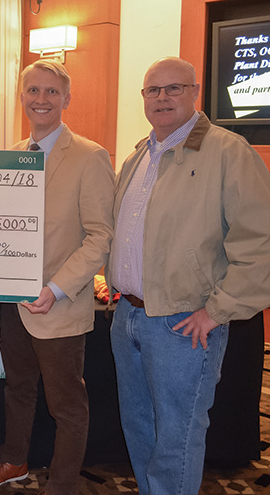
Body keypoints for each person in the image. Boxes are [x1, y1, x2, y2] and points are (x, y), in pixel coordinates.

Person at [107, 57, 270, 494]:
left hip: (182, 322)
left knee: (175, 437)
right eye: (153, 90)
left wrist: (217, 311)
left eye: (174, 88)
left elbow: (261, 241)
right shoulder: (139, 155)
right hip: (129, 317)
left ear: (195, 92)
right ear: (143, 98)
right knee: (139, 428)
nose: (162, 98)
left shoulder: (228, 152)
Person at [0, 60, 115, 495]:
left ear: (66, 99)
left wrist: (55, 289)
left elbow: (100, 236)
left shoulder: (90, 156)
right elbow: (4, 230)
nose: (41, 99)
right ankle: (14, 461)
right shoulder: (14, 154)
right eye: (33, 90)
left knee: (66, 405)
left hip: (59, 304)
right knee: (17, 389)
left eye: (51, 91)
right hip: (14, 305)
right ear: (22, 98)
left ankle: (63, 485)